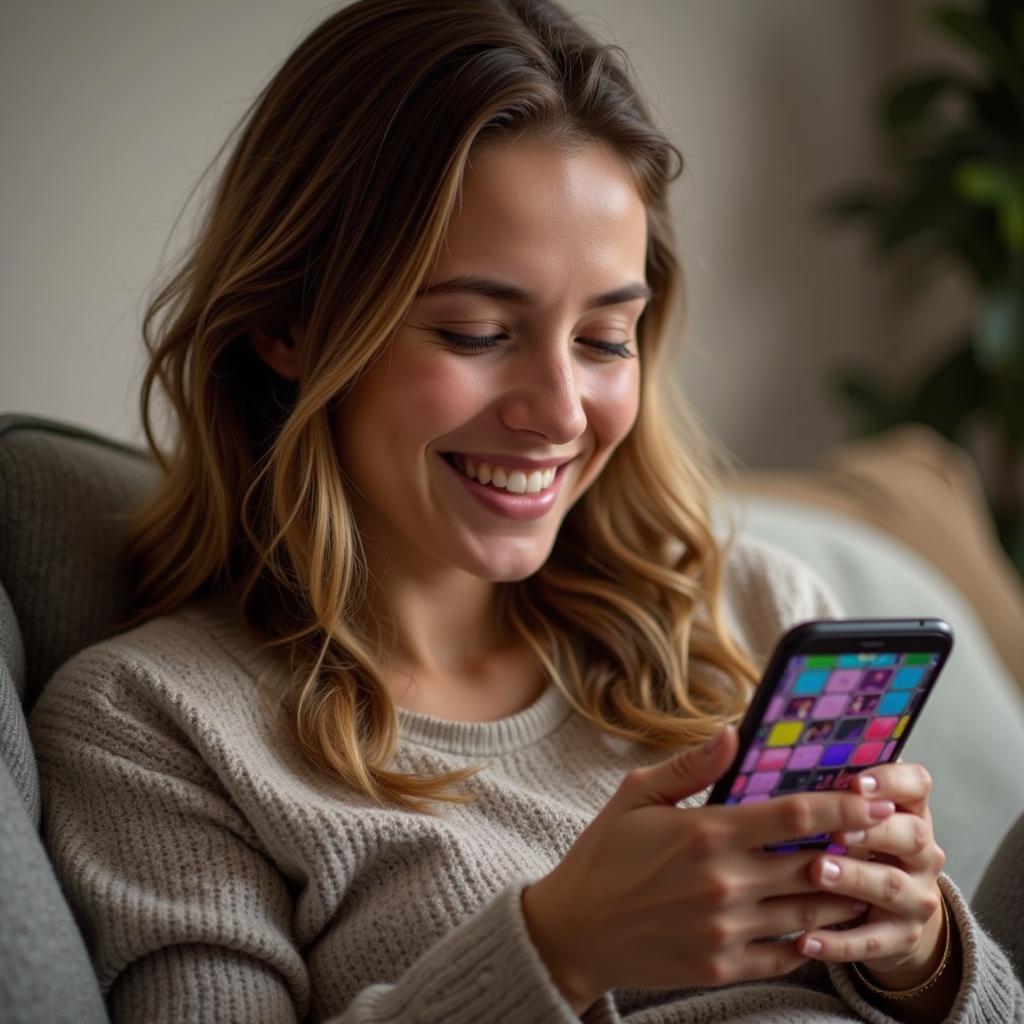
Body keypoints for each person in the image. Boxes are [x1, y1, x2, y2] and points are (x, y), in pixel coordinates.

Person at [28, 1, 1023, 1021]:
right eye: (472, 331)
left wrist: (925, 958)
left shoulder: (755, 616)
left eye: (603, 339)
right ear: (288, 322)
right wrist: (557, 947)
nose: (558, 413)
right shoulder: (154, 723)